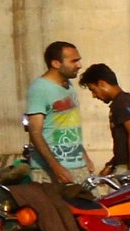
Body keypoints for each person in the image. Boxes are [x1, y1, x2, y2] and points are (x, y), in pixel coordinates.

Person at [24, 41, 88, 184]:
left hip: (78, 166)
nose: (79, 65)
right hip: (51, 171)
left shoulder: (68, 86)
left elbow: (69, 124)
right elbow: (35, 132)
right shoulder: (40, 88)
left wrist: (85, 157)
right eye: (74, 61)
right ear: (56, 63)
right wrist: (56, 167)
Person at [77, 64, 130, 175]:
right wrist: (110, 165)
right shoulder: (124, 101)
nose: (94, 95)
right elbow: (124, 142)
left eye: (93, 90)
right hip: (124, 165)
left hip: (128, 167)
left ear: (102, 84)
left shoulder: (122, 103)